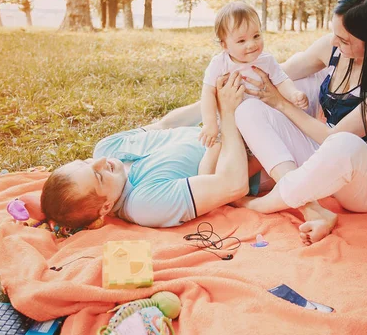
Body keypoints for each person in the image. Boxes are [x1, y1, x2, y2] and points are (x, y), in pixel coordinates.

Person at [232, 0, 367, 246]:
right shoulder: (332, 49)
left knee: (344, 144)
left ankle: (261, 205)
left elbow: (333, 139)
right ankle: (313, 209)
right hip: (326, 158)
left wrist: (281, 104)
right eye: (335, 33)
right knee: (250, 108)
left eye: (344, 39)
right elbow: (276, 75)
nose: (334, 41)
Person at [37, 72, 249, 229]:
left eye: (85, 162)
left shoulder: (108, 148)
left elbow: (165, 125)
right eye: (98, 175)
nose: (100, 161)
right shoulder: (144, 204)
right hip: (254, 145)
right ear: (105, 207)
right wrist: (228, 113)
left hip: (229, 116)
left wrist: (214, 100)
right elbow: (234, 185)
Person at [197, 1, 309, 174]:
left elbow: (281, 80)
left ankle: (239, 187)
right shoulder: (220, 63)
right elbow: (208, 93)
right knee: (215, 150)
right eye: (241, 40)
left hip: (257, 123)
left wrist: (293, 94)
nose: (251, 44)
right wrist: (210, 123)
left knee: (254, 160)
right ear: (224, 45)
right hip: (227, 124)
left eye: (256, 36)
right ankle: (203, 184)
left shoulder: (266, 61)